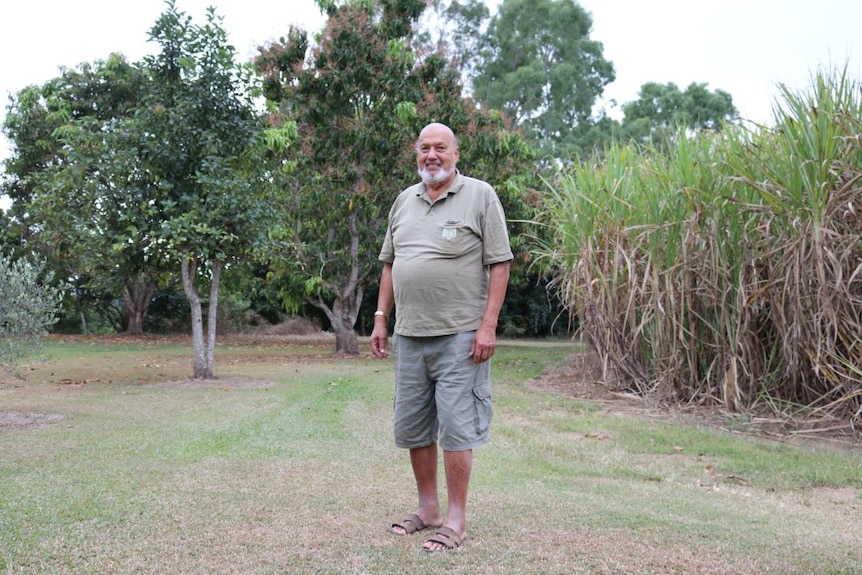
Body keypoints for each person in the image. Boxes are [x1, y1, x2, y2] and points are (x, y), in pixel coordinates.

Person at [370, 122, 513, 552]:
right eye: (424, 148)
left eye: (440, 148)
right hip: (409, 334)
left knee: (456, 427)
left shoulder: (480, 195)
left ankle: (456, 520)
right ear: (417, 154)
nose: (432, 155)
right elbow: (391, 265)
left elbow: (500, 263)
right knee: (414, 426)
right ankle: (428, 509)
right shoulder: (403, 202)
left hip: (460, 335)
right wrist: (381, 318)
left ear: (455, 153)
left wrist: (487, 325)